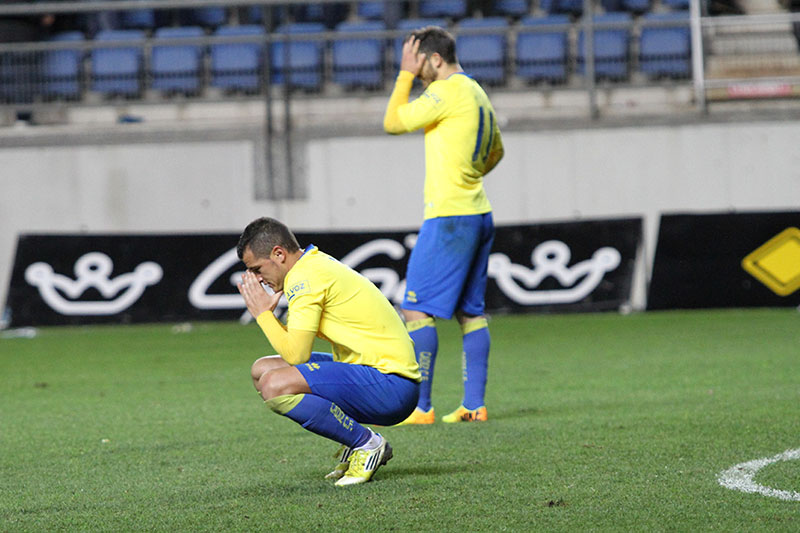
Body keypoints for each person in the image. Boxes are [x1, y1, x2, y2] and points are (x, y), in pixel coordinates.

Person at [236, 217, 421, 486]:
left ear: (278, 253)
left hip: (391, 386)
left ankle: (366, 444)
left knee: (274, 384)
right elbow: (293, 349)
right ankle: (356, 441)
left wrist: (263, 314)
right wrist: (267, 315)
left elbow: (296, 355)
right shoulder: (311, 265)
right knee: (262, 370)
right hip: (379, 375)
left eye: (257, 269)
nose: (257, 279)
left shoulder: (304, 278)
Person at [382, 26, 504, 425]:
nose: (418, 78)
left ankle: (421, 407)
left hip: (449, 216)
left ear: (435, 59)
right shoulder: (477, 92)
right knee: (471, 312)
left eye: (420, 70)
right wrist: (469, 174)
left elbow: (394, 121)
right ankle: (473, 405)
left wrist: (402, 75)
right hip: (478, 211)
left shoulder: (447, 90)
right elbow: (496, 151)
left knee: (415, 309)